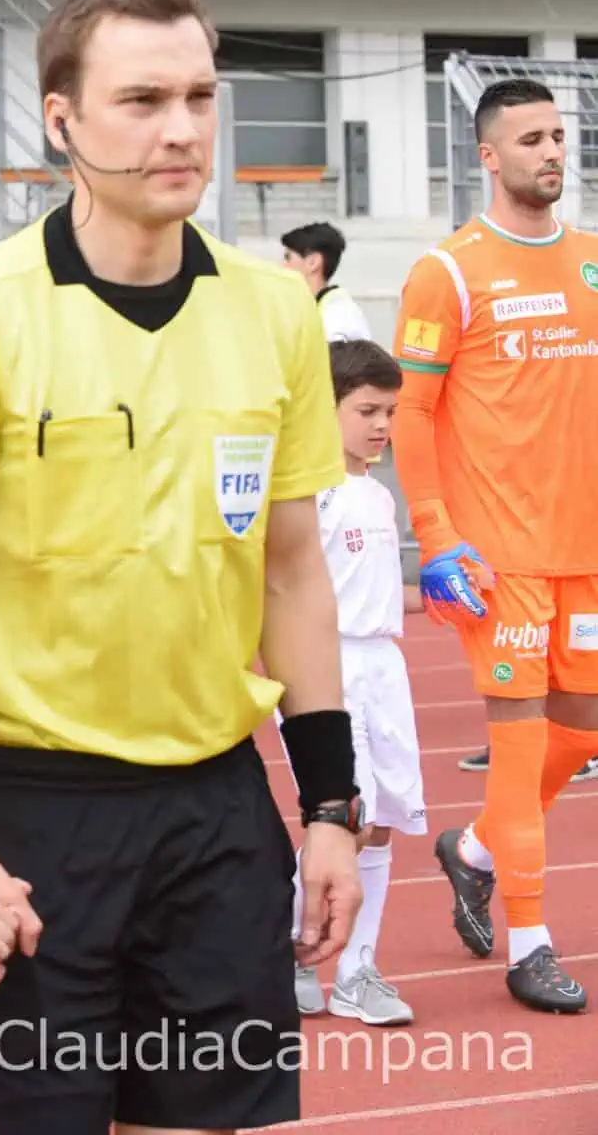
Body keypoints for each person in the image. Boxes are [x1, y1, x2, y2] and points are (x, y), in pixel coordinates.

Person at [0, 0, 359, 1135]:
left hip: (215, 805)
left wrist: (333, 803)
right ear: (60, 121)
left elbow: (294, 570)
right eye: (142, 99)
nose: (182, 128)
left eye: (199, 94)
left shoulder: (274, 309)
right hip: (33, 810)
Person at [398, 76, 598, 1014]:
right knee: (518, 754)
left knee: (581, 732)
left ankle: (474, 849)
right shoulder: (448, 270)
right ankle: (532, 942)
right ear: (488, 155)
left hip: (586, 549)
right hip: (498, 557)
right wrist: (436, 537)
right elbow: (410, 414)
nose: (552, 152)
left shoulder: (595, 260)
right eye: (531, 139)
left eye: (560, 136)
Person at [290, 339, 425, 1028]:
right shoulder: (311, 494)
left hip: (384, 666)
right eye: (367, 410)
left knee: (385, 824)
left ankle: (355, 966)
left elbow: (377, 591)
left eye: (391, 412)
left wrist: (432, 592)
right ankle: (307, 956)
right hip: (329, 667)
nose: (381, 425)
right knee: (345, 814)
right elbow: (287, 587)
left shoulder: (375, 492)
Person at [281, 221, 370, 342]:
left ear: (313, 262)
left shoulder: (337, 316)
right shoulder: (322, 309)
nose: (283, 266)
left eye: (288, 258)